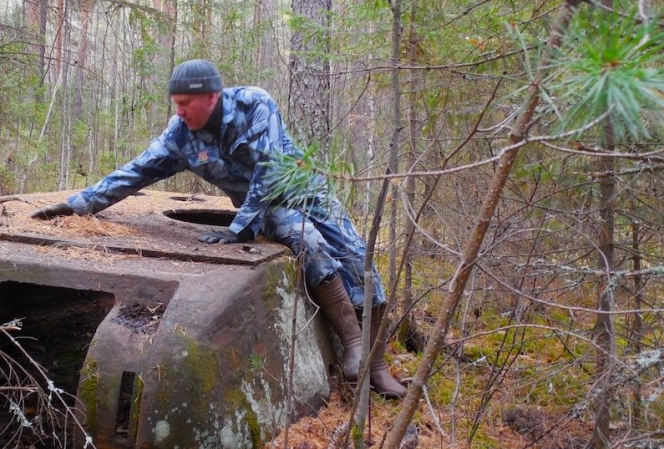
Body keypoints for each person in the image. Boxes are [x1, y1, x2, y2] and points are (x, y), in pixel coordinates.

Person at [31, 59, 407, 398]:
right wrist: (81, 203)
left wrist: (240, 228)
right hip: (268, 209)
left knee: (358, 256)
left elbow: (270, 168)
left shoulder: (254, 104)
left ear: (211, 97)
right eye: (174, 103)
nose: (178, 112)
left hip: (304, 191)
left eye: (185, 104)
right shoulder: (180, 135)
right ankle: (354, 347)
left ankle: (377, 366)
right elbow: (137, 170)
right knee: (307, 240)